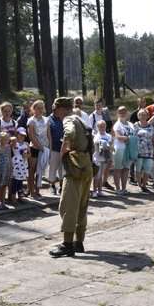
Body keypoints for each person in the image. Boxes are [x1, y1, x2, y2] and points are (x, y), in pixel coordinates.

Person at [49, 97, 92, 258]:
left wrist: (64, 150)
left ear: (62, 109)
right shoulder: (81, 120)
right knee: (82, 206)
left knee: (67, 206)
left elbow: (69, 133)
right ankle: (78, 242)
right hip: (86, 165)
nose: (55, 113)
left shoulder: (68, 119)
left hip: (75, 168)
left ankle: (67, 244)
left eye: (55, 110)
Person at [27, 100, 50, 199]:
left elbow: (49, 134)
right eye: (38, 108)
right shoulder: (31, 120)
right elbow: (31, 136)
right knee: (32, 170)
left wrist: (50, 147)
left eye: (42, 108)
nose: (40, 110)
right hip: (35, 148)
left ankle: (37, 190)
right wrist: (40, 147)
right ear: (34, 109)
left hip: (45, 148)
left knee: (40, 171)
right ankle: (31, 191)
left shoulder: (47, 120)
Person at [112, 106, 134, 195]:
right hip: (119, 149)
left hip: (129, 149)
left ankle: (124, 188)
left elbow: (134, 135)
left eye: (124, 111)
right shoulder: (117, 124)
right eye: (120, 112)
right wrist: (129, 138)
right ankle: (117, 189)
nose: (123, 113)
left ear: (127, 113)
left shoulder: (130, 124)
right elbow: (118, 137)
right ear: (117, 113)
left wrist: (129, 138)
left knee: (126, 169)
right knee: (117, 169)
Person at [47, 101, 67, 196]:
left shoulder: (64, 119)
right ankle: (52, 186)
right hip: (54, 148)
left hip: (64, 148)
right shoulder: (49, 119)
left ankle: (61, 186)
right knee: (53, 168)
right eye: (58, 109)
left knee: (62, 168)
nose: (60, 111)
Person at [135, 110, 154, 193]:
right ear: (138, 116)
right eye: (141, 115)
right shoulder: (135, 125)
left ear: (147, 116)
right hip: (138, 151)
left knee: (147, 168)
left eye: (144, 115)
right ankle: (139, 184)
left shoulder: (151, 126)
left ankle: (144, 185)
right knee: (138, 169)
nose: (143, 116)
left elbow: (153, 138)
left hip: (149, 150)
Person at [92, 120, 113, 197]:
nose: (102, 128)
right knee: (97, 176)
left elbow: (111, 147)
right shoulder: (96, 136)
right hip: (97, 158)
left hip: (105, 158)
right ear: (97, 127)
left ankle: (100, 191)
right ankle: (94, 191)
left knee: (101, 175)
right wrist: (103, 144)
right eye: (100, 126)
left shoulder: (109, 136)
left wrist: (110, 158)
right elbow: (96, 145)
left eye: (103, 126)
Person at [0, 132, 12, 210]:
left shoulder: (8, 148)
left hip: (6, 170)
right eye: (6, 139)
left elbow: (10, 158)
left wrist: (11, 168)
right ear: (2, 140)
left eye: (8, 139)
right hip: (0, 171)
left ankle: (3, 203)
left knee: (4, 187)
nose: (8, 140)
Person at [11, 128, 29, 202]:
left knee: (21, 181)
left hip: (23, 164)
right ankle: (13, 196)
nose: (22, 136)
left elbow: (29, 154)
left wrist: (26, 155)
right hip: (16, 164)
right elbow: (12, 147)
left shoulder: (26, 144)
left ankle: (20, 195)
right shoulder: (14, 142)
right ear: (17, 134)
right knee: (15, 180)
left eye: (23, 135)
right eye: (20, 135)